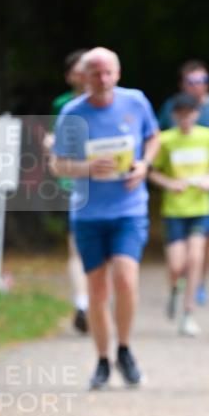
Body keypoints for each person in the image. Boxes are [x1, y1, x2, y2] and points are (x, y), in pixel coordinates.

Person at [51, 47, 160, 390]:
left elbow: (153, 137)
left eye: (107, 72)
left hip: (128, 209)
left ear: (118, 73)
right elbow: (58, 164)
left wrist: (144, 165)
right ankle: (101, 358)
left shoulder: (136, 102)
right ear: (82, 76)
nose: (102, 79)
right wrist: (85, 168)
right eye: (94, 73)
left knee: (126, 279)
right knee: (97, 288)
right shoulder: (72, 113)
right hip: (88, 214)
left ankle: (124, 349)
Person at [157, 60, 209, 305]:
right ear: (183, 84)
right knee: (181, 256)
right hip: (179, 197)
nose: (197, 86)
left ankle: (199, 284)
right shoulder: (171, 109)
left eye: (202, 81)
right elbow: (158, 145)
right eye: (192, 81)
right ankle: (181, 282)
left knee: (208, 238)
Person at [149, 93, 209, 336]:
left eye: (189, 114)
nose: (185, 118)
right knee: (176, 265)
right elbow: (152, 171)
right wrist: (169, 183)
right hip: (175, 210)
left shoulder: (207, 136)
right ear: (174, 116)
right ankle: (174, 289)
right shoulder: (166, 139)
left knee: (195, 259)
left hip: (200, 208)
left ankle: (188, 313)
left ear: (196, 114)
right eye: (180, 114)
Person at [48, 49, 90, 333]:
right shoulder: (62, 104)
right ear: (69, 76)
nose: (83, 74)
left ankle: (96, 300)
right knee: (76, 247)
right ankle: (82, 303)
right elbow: (55, 141)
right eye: (78, 69)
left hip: (103, 182)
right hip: (71, 183)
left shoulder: (116, 100)